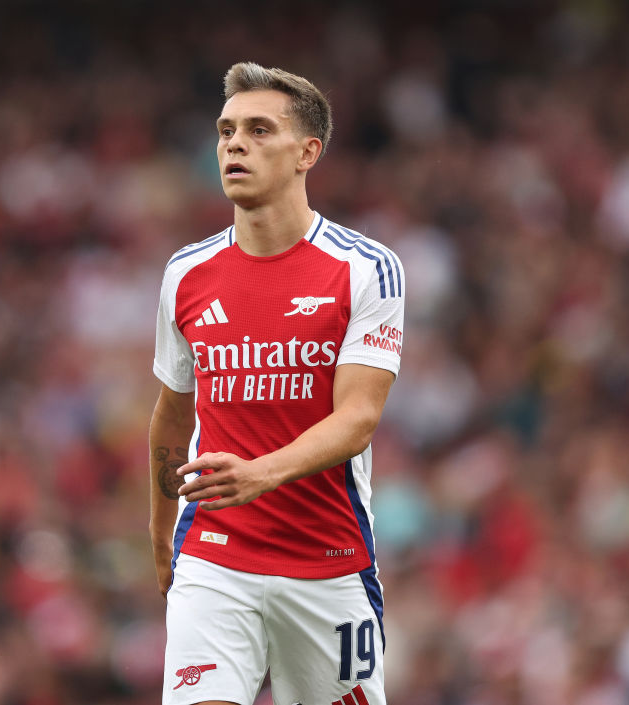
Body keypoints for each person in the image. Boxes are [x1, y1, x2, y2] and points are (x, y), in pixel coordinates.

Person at [149, 62, 405, 705]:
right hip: (213, 557)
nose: (235, 144)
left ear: (307, 153)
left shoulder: (365, 269)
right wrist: (161, 541)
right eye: (227, 130)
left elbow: (358, 419)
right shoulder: (186, 274)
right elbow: (172, 419)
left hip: (329, 560)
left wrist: (261, 474)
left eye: (260, 130)